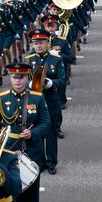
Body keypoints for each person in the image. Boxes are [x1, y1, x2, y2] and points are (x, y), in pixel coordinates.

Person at [0, 63, 50, 202]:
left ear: (27, 78)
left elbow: (46, 123)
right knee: (14, 187)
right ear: (10, 78)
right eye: (15, 77)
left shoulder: (37, 98)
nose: (18, 81)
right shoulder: (1, 98)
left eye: (22, 77)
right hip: (10, 149)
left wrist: (33, 133)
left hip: (31, 149)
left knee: (32, 186)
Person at [25, 28, 65, 175]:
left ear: (47, 43)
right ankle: (40, 161)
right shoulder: (29, 60)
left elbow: (62, 80)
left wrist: (50, 83)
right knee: (37, 132)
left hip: (51, 100)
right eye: (36, 43)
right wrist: (29, 83)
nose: (39, 45)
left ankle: (51, 162)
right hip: (35, 101)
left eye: (41, 42)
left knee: (51, 133)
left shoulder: (56, 59)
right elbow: (24, 79)